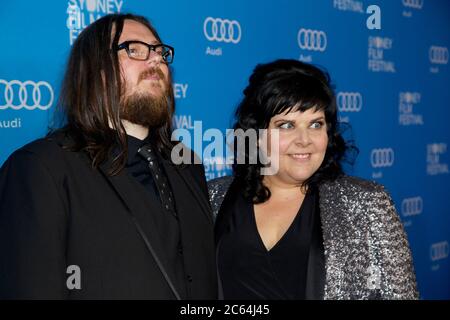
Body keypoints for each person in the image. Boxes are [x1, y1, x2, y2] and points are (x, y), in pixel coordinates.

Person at [0, 13, 217, 299]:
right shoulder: (40, 169)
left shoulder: (189, 166)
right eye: (135, 49)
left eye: (160, 52)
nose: (156, 60)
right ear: (95, 71)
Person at [208, 59, 418, 300]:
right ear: (255, 135)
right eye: (286, 125)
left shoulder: (367, 204)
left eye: (316, 124)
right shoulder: (214, 197)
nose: (304, 140)